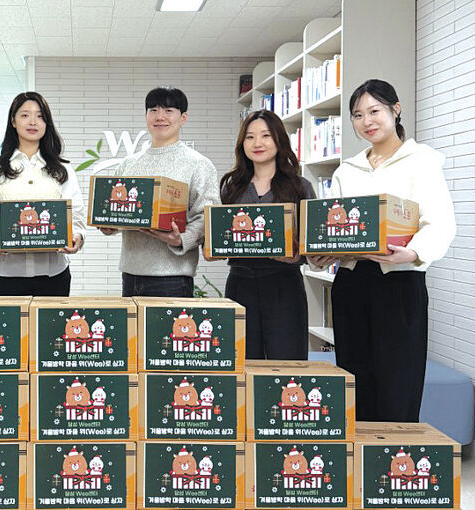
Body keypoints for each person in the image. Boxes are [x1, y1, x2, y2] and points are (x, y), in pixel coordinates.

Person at [308, 79, 456, 422]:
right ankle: (359, 449)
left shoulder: (422, 161)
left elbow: (441, 223)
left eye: (374, 111)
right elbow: (333, 225)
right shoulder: (347, 170)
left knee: (398, 379)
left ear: (395, 109)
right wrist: (321, 253)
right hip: (352, 283)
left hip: (399, 283)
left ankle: (394, 451)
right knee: (355, 376)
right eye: (358, 115)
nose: (367, 121)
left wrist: (413, 253)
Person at [101, 86, 219, 297]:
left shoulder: (199, 164)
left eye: (168, 111)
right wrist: (109, 225)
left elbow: (207, 217)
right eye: (153, 110)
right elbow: (118, 208)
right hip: (130, 274)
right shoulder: (128, 164)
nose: (160, 117)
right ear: (146, 116)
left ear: (183, 118)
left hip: (173, 278)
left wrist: (181, 239)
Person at [219, 109, 316, 360]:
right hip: (240, 283)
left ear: (279, 139)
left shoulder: (300, 187)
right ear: (242, 144)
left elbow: (313, 242)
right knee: (241, 362)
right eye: (250, 137)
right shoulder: (232, 187)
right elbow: (220, 233)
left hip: (284, 284)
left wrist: (296, 255)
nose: (257, 143)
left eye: (265, 135)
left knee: (287, 363)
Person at [0, 91, 86, 296]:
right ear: (13, 121)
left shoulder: (63, 169)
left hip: (54, 274)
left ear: (47, 123)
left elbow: (76, 213)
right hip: (6, 274)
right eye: (25, 115)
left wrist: (77, 237)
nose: (33, 122)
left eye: (40, 116)